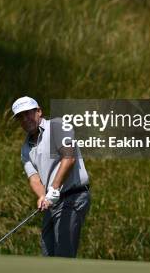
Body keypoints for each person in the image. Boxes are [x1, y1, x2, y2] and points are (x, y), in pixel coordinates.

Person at [12, 95, 91, 258]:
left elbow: (69, 158)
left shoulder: (57, 126)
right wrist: (42, 196)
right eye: (21, 116)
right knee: (47, 253)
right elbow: (34, 178)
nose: (25, 119)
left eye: (28, 113)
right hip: (53, 200)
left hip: (73, 196)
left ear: (39, 111)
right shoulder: (25, 148)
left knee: (63, 253)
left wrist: (53, 188)